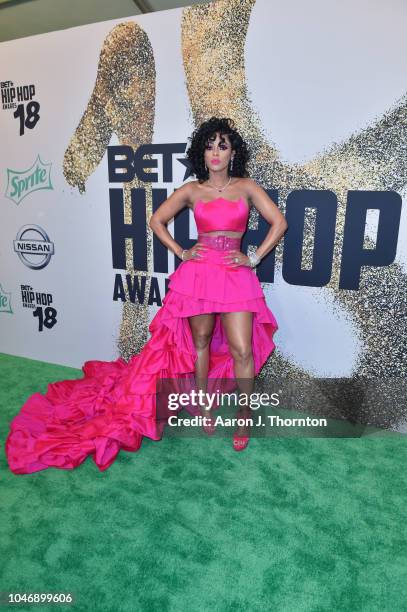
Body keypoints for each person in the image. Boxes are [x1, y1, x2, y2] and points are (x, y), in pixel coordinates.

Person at [5, 117, 287, 475]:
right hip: (199, 275)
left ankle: (245, 413)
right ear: (203, 151)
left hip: (235, 276)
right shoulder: (191, 190)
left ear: (233, 153)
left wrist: (254, 257)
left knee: (242, 348)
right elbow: (156, 221)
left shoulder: (246, 187)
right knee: (200, 340)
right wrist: (182, 252)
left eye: (223, 145)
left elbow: (279, 222)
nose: (216, 152)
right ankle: (202, 403)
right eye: (210, 145)